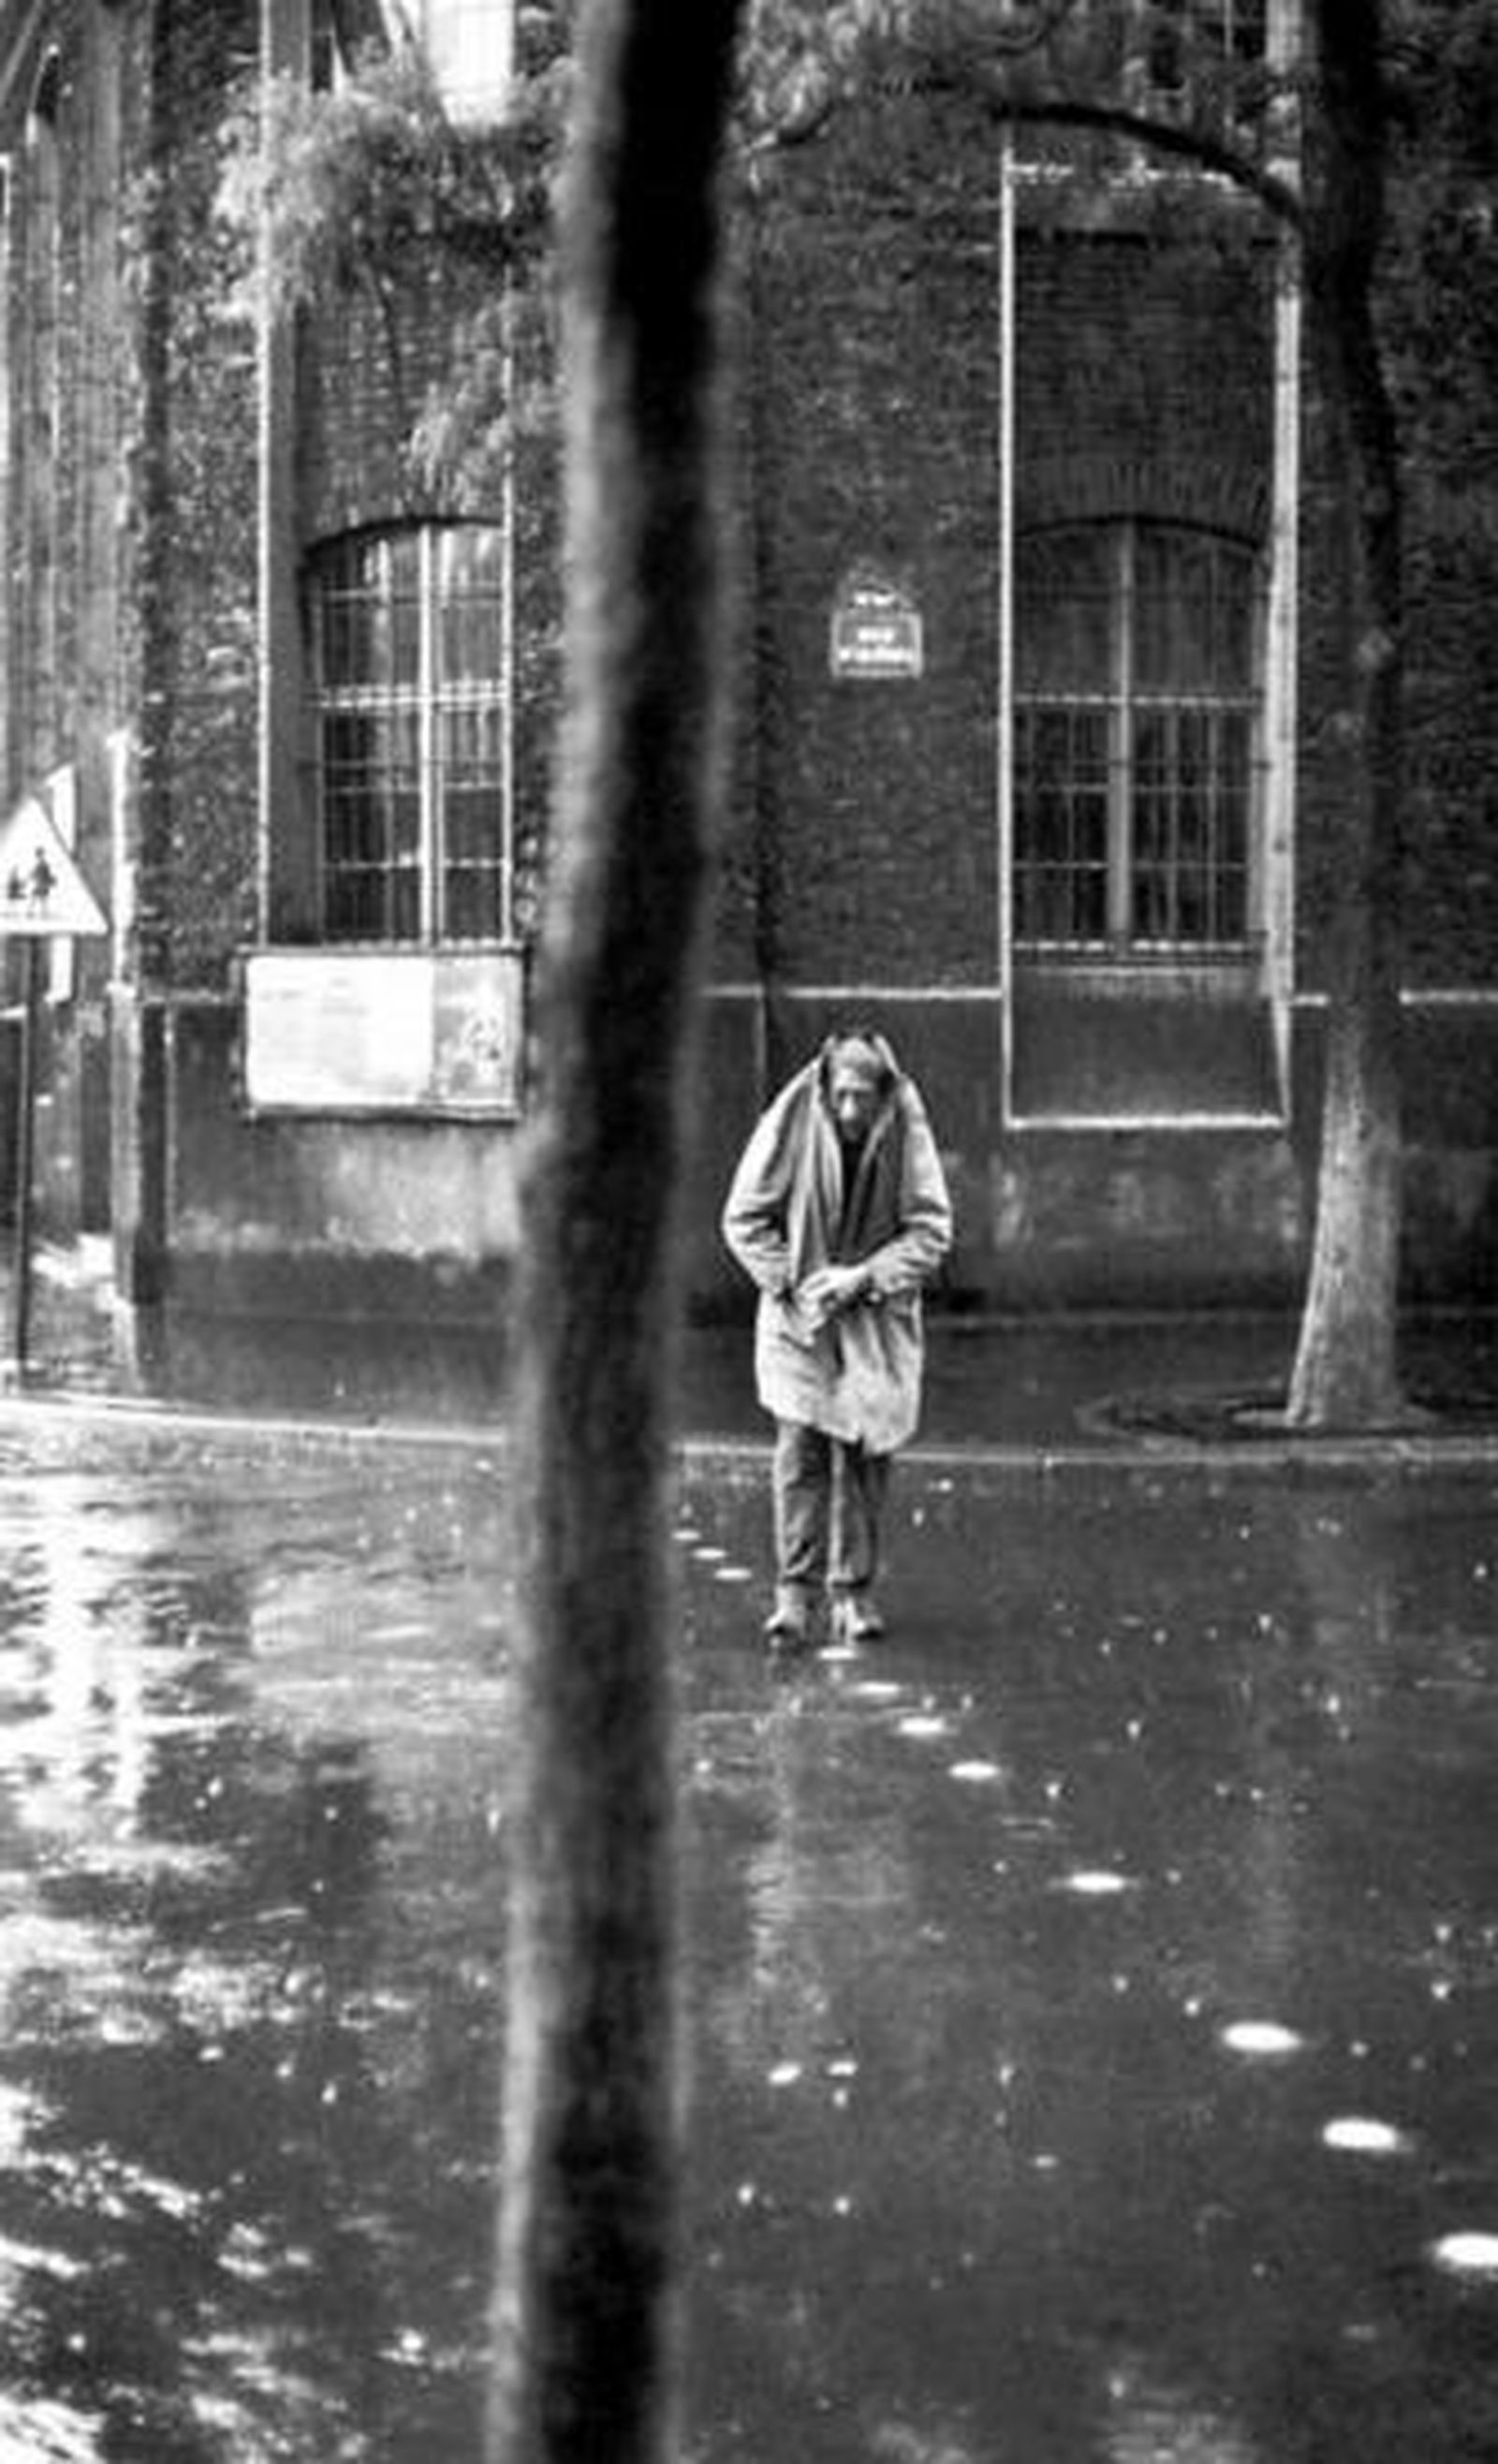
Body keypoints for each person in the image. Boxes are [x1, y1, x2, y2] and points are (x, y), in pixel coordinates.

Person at [721, 1028, 953, 1650]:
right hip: (801, 1318)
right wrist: (790, 1282)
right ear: (826, 1088)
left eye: (863, 1098)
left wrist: (865, 1277)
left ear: (884, 1094)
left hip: (874, 1316)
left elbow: (932, 1231)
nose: (851, 1112)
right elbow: (742, 1217)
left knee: (865, 1454)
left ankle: (852, 1592)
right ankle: (794, 1596)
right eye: (842, 1096)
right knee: (800, 1450)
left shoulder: (906, 1122)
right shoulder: (793, 1116)